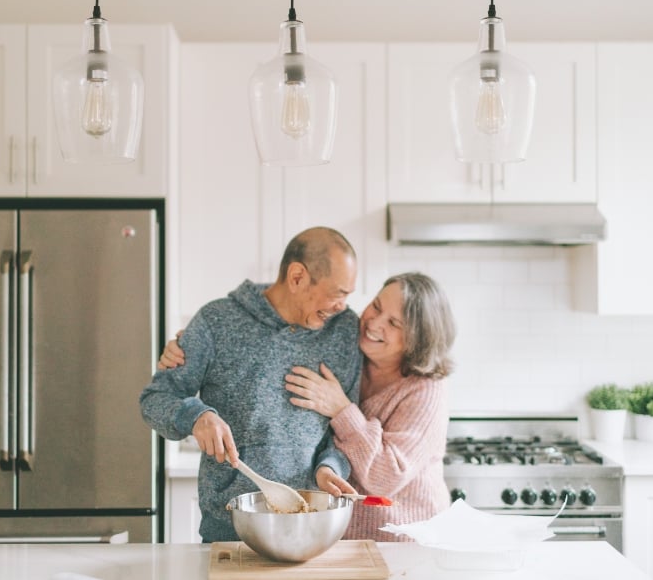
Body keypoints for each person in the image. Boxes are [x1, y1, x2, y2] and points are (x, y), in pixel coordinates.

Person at [159, 271, 456, 543]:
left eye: (394, 323)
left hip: (406, 542)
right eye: (376, 306)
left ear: (417, 340)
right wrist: (193, 344)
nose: (374, 324)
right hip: (345, 540)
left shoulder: (425, 391)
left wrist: (342, 410)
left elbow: (384, 477)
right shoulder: (353, 348)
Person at [139, 226, 363, 543]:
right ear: (297, 277)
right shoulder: (216, 321)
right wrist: (196, 416)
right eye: (338, 293)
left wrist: (328, 469)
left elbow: (343, 431)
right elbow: (155, 399)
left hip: (312, 529)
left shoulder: (343, 331)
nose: (343, 305)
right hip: (229, 530)